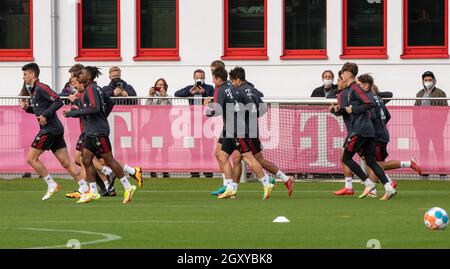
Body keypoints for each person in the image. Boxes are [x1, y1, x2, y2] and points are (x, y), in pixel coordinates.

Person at [63, 66, 138, 204]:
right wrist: (102, 116)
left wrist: (73, 113)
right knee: (85, 160)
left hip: (97, 131)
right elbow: (109, 103)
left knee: (109, 160)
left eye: (83, 74)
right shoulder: (92, 89)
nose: (80, 76)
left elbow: (95, 108)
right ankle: (93, 192)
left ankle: (128, 187)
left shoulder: (91, 89)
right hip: (92, 130)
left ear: (89, 77)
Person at [207, 67, 274, 200]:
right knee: (221, 155)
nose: (213, 81)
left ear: (218, 79)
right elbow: (248, 104)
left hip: (237, 130)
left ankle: (267, 183)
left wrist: (207, 108)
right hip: (231, 129)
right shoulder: (234, 88)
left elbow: (217, 110)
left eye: (213, 78)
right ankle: (230, 188)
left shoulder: (221, 89)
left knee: (248, 157)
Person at [19, 63, 82, 200]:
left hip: (50, 129)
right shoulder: (33, 90)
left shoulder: (41, 87)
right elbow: (40, 110)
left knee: (31, 158)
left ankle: (52, 184)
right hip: (55, 130)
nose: (23, 77)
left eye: (25, 74)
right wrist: (27, 107)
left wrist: (46, 115)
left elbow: (58, 101)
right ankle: (85, 188)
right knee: (66, 163)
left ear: (32, 75)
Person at [339, 62, 396, 201]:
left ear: (349, 74)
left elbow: (369, 103)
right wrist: (339, 110)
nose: (341, 75)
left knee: (346, 158)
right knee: (371, 161)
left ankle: (368, 183)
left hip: (360, 130)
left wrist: (354, 110)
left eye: (343, 72)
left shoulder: (355, 88)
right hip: (367, 130)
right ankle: (389, 187)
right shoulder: (352, 89)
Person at [175, 69, 215, 178]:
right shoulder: (190, 88)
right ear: (193, 78)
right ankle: (195, 171)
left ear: (204, 77)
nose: (199, 79)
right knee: (194, 148)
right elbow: (177, 94)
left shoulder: (209, 88)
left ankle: (208, 171)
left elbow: (214, 97)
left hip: (206, 121)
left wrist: (204, 93)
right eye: (197, 77)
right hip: (193, 121)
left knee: (207, 147)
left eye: (201, 77)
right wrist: (189, 92)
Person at [413, 71, 448, 176]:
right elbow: (415, 109)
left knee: (439, 148)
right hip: (422, 128)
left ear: (434, 81)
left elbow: (445, 110)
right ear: (423, 81)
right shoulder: (419, 93)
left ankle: (442, 170)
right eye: (426, 80)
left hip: (436, 127)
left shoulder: (440, 93)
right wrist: (416, 125)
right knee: (423, 149)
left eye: (430, 80)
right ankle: (424, 170)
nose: (428, 82)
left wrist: (441, 125)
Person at [146, 78, 171, 178]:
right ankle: (152, 171)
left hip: (165, 126)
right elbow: (147, 107)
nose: (160, 87)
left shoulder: (169, 97)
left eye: (162, 85)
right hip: (154, 127)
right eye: (158, 85)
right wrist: (150, 96)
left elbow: (167, 108)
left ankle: (165, 171)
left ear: (165, 87)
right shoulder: (152, 96)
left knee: (165, 149)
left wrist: (163, 97)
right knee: (154, 149)